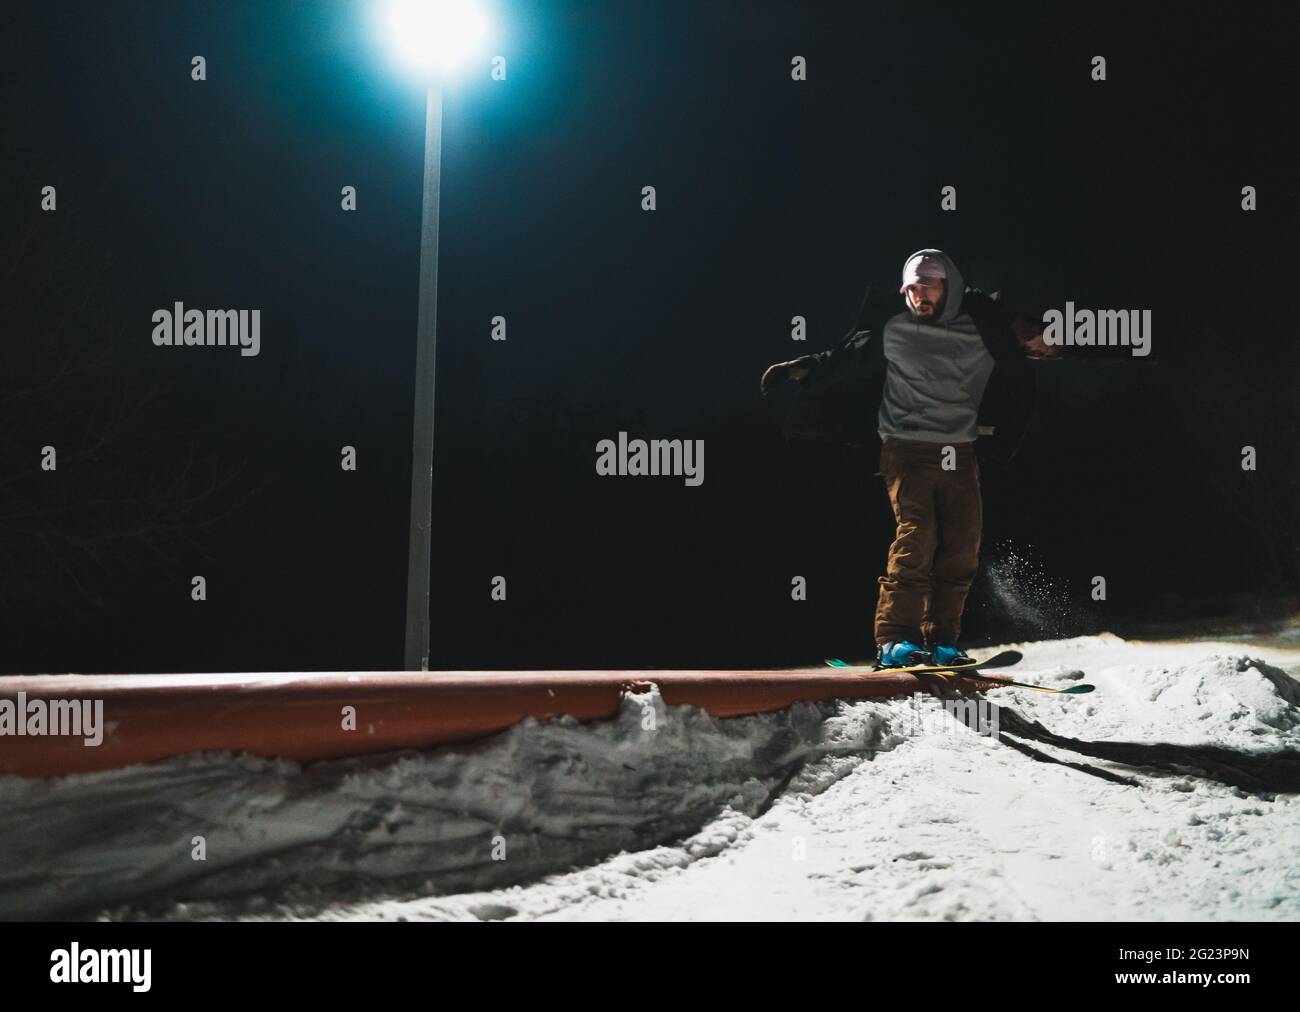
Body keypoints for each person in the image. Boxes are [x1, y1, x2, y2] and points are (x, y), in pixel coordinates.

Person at [761, 249, 1056, 668]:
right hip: (907, 447)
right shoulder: (895, 330)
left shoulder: (980, 325)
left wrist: (1079, 340)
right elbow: (846, 357)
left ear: (947, 286)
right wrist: (800, 368)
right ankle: (895, 639)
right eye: (911, 289)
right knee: (918, 534)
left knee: (962, 542)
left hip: (960, 451)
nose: (919, 297)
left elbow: (1031, 338)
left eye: (927, 287)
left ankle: (943, 639)